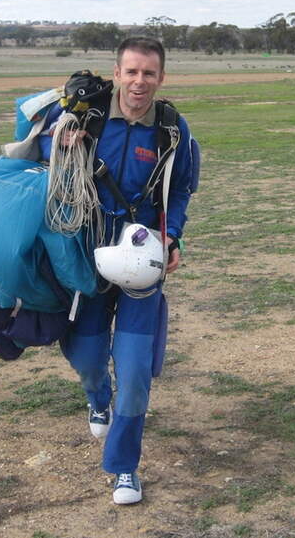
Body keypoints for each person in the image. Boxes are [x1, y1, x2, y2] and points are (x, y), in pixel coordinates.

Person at [39, 37, 199, 505]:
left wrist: (173, 235)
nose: (139, 82)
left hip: (142, 260)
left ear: (161, 78)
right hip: (87, 255)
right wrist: (60, 143)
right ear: (117, 72)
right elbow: (39, 163)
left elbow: (184, 187)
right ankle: (96, 396)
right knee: (88, 359)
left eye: (149, 73)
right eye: (131, 72)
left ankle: (124, 467)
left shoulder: (171, 128)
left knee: (134, 373)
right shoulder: (87, 116)